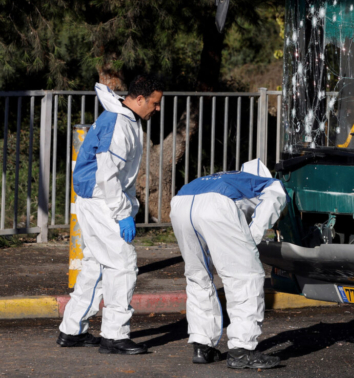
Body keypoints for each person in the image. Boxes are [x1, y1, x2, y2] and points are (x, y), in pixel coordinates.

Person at [57, 76, 163, 355]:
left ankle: (72, 329)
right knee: (122, 264)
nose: (157, 108)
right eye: (155, 102)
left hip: (96, 199)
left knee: (96, 266)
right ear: (139, 99)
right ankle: (114, 335)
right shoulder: (118, 122)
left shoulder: (121, 118)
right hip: (103, 201)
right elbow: (108, 175)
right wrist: (122, 213)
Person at [170, 159, 288, 369]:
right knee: (246, 277)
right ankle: (242, 350)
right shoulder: (265, 182)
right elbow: (275, 197)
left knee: (198, 277)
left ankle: (202, 346)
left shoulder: (224, 176)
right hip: (217, 206)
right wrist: (253, 236)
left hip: (180, 202)